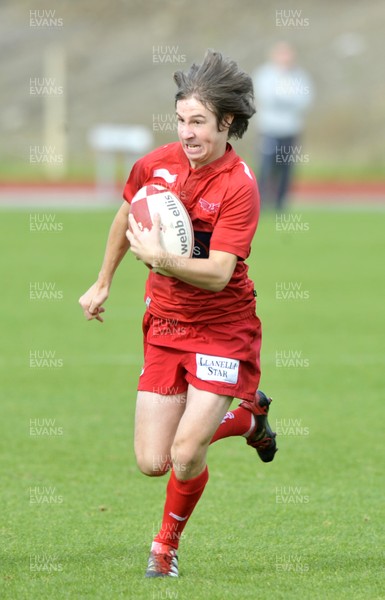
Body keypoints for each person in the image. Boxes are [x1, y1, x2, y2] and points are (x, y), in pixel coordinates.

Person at [79, 49, 277, 578]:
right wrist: (103, 282)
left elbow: (215, 273)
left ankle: (164, 550)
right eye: (181, 121)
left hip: (221, 328)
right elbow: (127, 214)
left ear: (226, 122)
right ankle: (250, 415)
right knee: (153, 461)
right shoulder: (156, 164)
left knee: (187, 454)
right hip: (165, 322)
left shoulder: (239, 187)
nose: (187, 133)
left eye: (199, 123)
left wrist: (160, 258)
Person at [253, 41, 313, 211]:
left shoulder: (300, 77)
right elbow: (265, 98)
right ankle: (261, 201)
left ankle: (280, 203)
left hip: (290, 130)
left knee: (286, 168)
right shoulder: (264, 75)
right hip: (269, 129)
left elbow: (304, 100)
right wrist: (287, 101)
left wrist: (283, 101)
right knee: (266, 165)